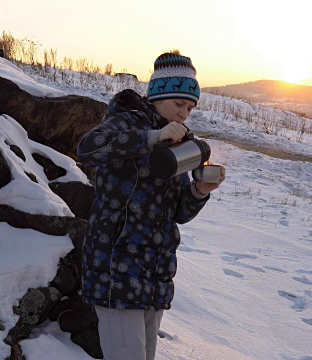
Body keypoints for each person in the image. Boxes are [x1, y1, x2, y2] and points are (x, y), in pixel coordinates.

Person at [76, 51, 226, 360]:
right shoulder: (126, 122)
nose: (185, 114)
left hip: (153, 273)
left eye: (190, 107)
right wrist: (153, 137)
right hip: (115, 268)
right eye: (179, 105)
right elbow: (88, 149)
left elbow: (179, 213)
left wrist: (199, 190)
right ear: (158, 97)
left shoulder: (179, 144)